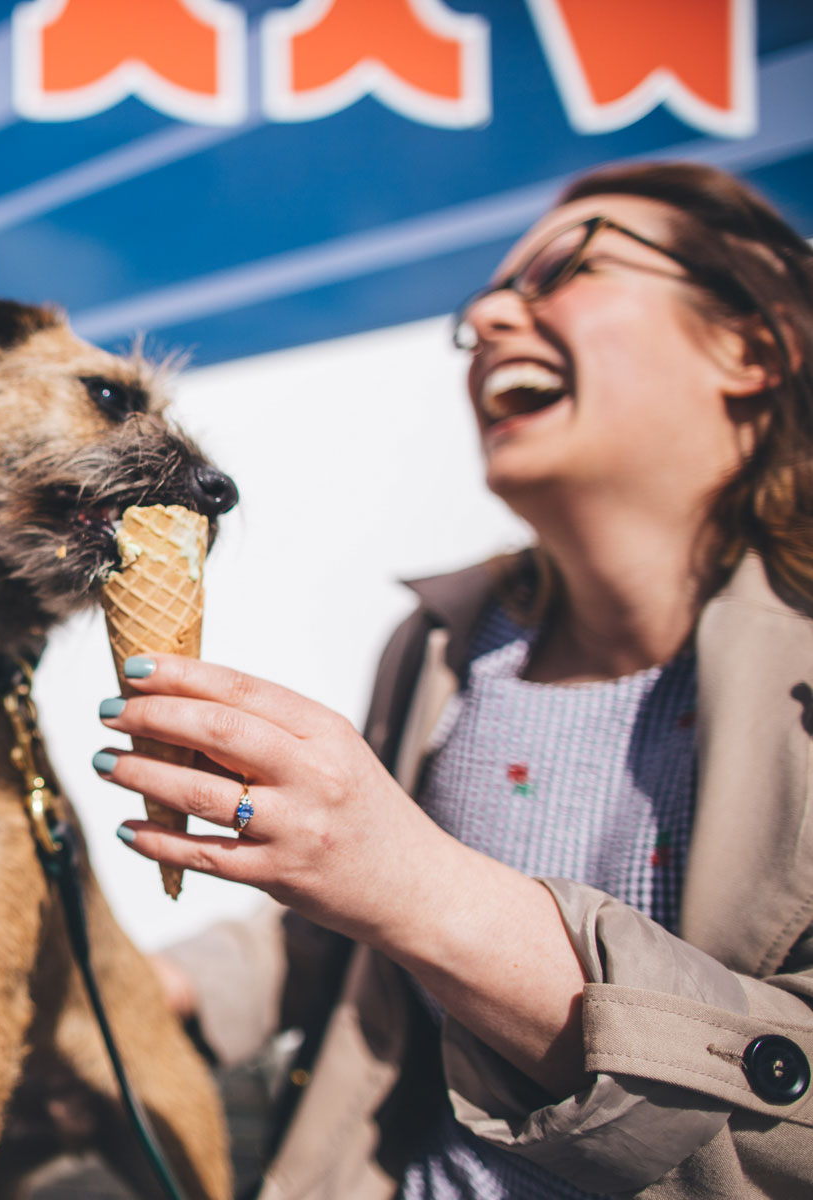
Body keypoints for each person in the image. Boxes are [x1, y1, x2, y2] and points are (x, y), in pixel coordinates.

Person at [95, 160, 813, 1198]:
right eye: (482, 303)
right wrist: (146, 988)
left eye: (566, 267)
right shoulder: (446, 645)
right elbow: (342, 948)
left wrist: (419, 886)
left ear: (753, 344)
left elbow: (399, 892)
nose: (484, 315)